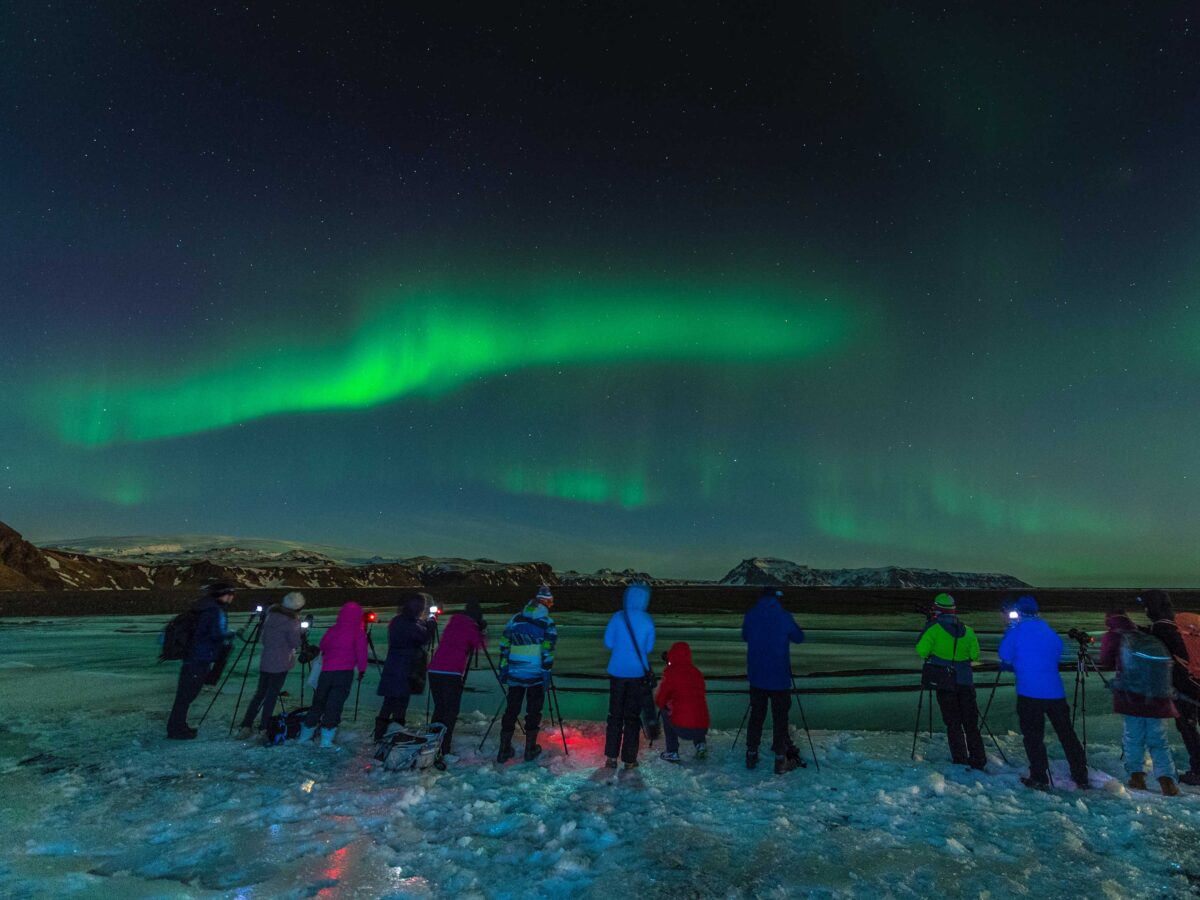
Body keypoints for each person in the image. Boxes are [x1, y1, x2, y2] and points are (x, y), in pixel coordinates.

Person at [997, 595, 1089, 790]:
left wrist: (1011, 631)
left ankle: (1039, 776)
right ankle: (1081, 774)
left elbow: (1004, 654)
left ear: (1019, 612)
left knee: (1033, 736)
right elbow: (1057, 653)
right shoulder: (1050, 632)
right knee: (1067, 734)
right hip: (1055, 692)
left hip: (1030, 693)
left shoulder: (1017, 631)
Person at [1098, 609, 1180, 795]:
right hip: (1158, 698)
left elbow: (1105, 661)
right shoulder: (1142, 635)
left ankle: (1137, 778)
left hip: (1132, 698)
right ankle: (1167, 781)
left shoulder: (1114, 636)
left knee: (1133, 738)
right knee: (1159, 740)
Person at [915, 592, 986, 771]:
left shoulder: (934, 628)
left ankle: (960, 758)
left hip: (945, 682)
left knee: (953, 722)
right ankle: (978, 759)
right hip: (965, 681)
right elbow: (975, 655)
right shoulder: (968, 631)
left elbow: (921, 650)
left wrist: (929, 625)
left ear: (937, 610)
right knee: (971, 723)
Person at [1137, 589, 1200, 786]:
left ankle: (1198, 771)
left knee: (1188, 729)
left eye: (1146, 605)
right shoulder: (1175, 625)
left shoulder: (1161, 629)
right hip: (1195, 681)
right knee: (1190, 727)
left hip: (1184, 687)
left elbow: (1161, 657)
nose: (1145, 609)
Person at [741, 587, 805, 774]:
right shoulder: (784, 616)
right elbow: (799, 637)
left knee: (756, 716)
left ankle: (751, 754)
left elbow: (745, 636)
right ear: (776, 599)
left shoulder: (751, 615)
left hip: (757, 677)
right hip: (780, 678)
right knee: (780, 718)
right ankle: (780, 758)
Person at [166, 580, 237, 739]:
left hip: (194, 656)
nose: (232, 598)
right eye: (231, 594)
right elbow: (215, 633)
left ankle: (178, 726)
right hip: (200, 657)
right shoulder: (213, 611)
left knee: (184, 695)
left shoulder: (203, 607)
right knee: (186, 695)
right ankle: (176, 729)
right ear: (223, 595)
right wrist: (230, 633)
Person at [497, 585, 557, 763]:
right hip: (535, 675)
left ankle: (503, 749)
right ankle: (530, 749)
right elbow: (548, 652)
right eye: (551, 601)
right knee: (533, 710)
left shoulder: (515, 619)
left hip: (515, 672)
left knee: (511, 709)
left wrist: (504, 669)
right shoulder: (548, 623)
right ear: (545, 602)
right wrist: (546, 673)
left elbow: (504, 644)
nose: (552, 605)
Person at [236, 591, 305, 741]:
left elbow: (263, 639)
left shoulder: (270, 616)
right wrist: (302, 632)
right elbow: (295, 643)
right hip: (281, 663)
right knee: (271, 696)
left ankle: (246, 725)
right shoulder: (292, 621)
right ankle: (264, 727)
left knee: (260, 694)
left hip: (266, 661)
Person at [299, 601, 368, 747]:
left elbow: (323, 645)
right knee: (334, 705)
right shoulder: (358, 632)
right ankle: (326, 739)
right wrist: (362, 669)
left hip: (327, 672)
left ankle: (305, 735)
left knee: (318, 702)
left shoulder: (333, 629)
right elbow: (362, 653)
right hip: (344, 673)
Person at [603, 583, 656, 770]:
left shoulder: (618, 617)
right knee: (632, 717)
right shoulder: (647, 620)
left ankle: (610, 758)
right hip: (637, 674)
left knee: (615, 715)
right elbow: (648, 648)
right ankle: (629, 760)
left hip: (617, 672)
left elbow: (608, 642)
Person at [427, 599, 488, 758]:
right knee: (450, 711)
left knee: (440, 708)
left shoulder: (453, 623)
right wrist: (481, 630)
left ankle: (432, 742)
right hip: (451, 673)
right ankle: (444, 748)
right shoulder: (470, 627)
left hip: (434, 670)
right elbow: (480, 644)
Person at [374, 593, 434, 740]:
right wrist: (431, 625)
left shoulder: (398, 621)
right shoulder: (410, 624)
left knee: (389, 702)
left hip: (394, 665)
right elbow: (423, 638)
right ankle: (395, 734)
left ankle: (380, 734)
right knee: (400, 703)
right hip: (406, 668)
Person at [655, 641, 709, 763]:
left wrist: (667, 702)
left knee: (664, 710)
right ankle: (700, 744)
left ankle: (672, 751)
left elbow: (660, 700)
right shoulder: (697, 672)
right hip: (702, 728)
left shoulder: (671, 673)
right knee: (696, 707)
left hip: (683, 728)